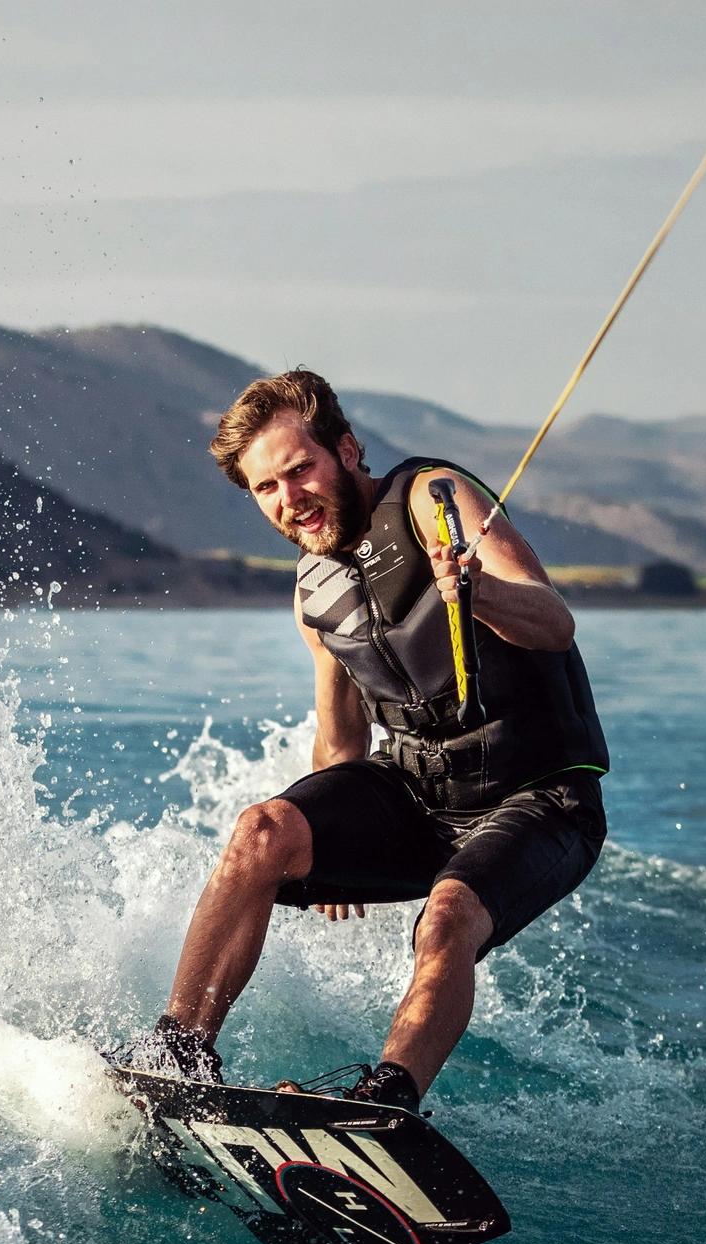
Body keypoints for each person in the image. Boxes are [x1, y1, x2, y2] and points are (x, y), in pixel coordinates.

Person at [134, 369, 608, 1110]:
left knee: (447, 915)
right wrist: (320, 836)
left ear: (347, 451)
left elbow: (555, 622)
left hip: (540, 797)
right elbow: (341, 737)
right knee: (261, 832)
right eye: (268, 488)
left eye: (301, 469)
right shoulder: (313, 592)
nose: (292, 499)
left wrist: (478, 590)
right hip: (421, 795)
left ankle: (386, 1102)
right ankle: (178, 1053)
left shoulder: (432, 498)